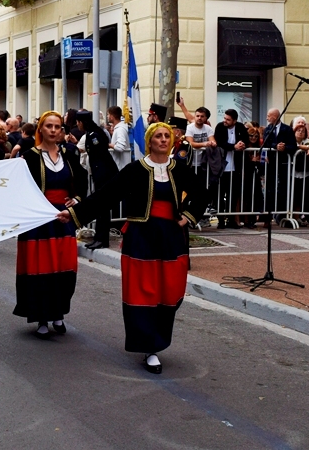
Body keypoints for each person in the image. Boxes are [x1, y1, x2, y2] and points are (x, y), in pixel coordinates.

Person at [62, 122, 207, 374]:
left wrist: (187, 215)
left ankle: (157, 338)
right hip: (141, 236)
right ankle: (149, 347)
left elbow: (202, 194)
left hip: (171, 238)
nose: (163, 139)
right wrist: (75, 213)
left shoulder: (179, 169)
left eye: (166, 136)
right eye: (158, 136)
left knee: (169, 290)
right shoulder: (135, 170)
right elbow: (106, 195)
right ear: (149, 141)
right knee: (143, 291)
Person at [16, 112, 86, 339]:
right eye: (49, 126)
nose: (54, 130)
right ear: (41, 129)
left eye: (57, 126)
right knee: (40, 269)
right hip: (38, 222)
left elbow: (81, 182)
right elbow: (21, 189)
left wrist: (76, 199)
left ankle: (59, 313)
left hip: (63, 220)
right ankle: (42, 318)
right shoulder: (29, 157)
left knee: (64, 268)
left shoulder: (70, 154)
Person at [76, 110, 118, 250]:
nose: (77, 125)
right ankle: (99, 238)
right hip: (100, 174)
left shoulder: (94, 134)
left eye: (78, 122)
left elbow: (100, 157)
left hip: (104, 175)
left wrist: (99, 176)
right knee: (101, 207)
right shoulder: (91, 133)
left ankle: (102, 239)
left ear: (82, 122)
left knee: (103, 207)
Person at [212, 109, 249, 229]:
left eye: (228, 119)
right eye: (224, 118)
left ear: (234, 120)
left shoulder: (240, 127)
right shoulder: (220, 127)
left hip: (235, 167)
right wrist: (233, 146)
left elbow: (246, 140)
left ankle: (232, 219)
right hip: (222, 167)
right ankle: (221, 219)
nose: (225, 121)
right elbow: (220, 142)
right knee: (220, 194)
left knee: (233, 195)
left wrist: (242, 145)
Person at [260, 108, 296, 219]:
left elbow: (293, 146)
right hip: (271, 164)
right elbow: (266, 144)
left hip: (284, 163)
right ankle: (268, 215)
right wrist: (276, 146)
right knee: (270, 189)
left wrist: (284, 148)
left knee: (283, 189)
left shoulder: (287, 129)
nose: (267, 118)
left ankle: (282, 214)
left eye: (268, 115)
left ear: (275, 117)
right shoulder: (268, 129)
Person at [107, 106, 131, 171]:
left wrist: (108, 145)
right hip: (120, 167)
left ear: (112, 116)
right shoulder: (119, 128)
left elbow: (120, 147)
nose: (107, 116)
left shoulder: (120, 129)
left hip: (120, 168)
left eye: (108, 114)